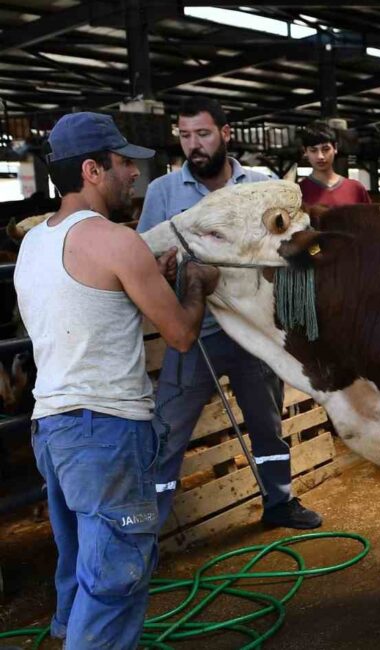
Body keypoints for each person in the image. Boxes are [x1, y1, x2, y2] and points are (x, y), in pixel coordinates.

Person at [14, 112, 218, 649]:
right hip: (105, 433)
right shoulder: (115, 242)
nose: (134, 175)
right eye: (125, 163)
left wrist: (153, 274)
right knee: (115, 580)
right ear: (92, 169)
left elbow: (90, 309)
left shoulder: (34, 244)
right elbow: (177, 334)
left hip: (53, 430)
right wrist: (195, 285)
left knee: (80, 569)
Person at [139, 97, 322, 531]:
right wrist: (163, 272)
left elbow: (304, 246)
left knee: (267, 423)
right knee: (168, 431)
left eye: (202, 134)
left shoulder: (263, 186)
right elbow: (142, 257)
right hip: (193, 332)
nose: (193, 145)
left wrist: (312, 258)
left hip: (253, 330)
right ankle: (149, 526)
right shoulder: (162, 193)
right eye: (185, 136)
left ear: (225, 133)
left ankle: (279, 502)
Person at [297, 121, 371, 207]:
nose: (320, 156)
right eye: (313, 150)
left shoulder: (356, 188)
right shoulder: (298, 192)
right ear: (305, 152)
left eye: (326, 149)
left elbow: (369, 219)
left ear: (335, 148)